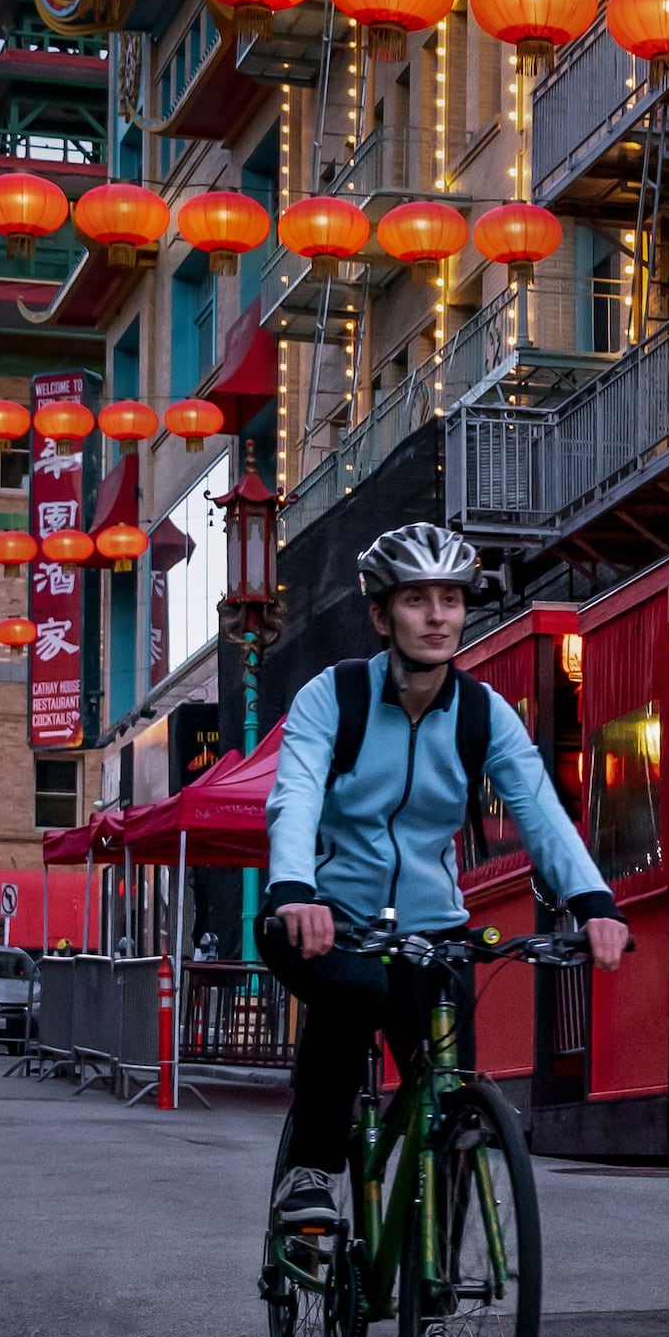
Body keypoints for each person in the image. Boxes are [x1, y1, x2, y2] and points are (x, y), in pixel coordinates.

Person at [258, 524, 628, 1248]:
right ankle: (312, 1168)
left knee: (453, 1107)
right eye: (418, 599)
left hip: (434, 929)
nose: (437, 616)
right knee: (355, 988)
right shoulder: (333, 698)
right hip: (325, 915)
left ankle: (436, 1307)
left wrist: (594, 904)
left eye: (451, 600)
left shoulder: (482, 712)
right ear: (381, 615)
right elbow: (294, 796)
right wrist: (293, 890)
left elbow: (540, 810)